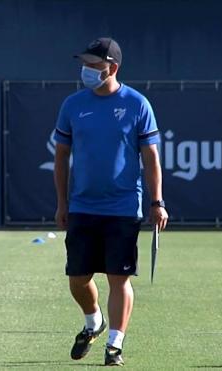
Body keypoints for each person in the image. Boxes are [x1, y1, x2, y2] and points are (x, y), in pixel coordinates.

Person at [53, 37, 168, 366]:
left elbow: (151, 158)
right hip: (82, 207)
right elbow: (61, 158)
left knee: (119, 278)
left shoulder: (137, 104)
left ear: (112, 68)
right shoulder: (73, 105)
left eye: (93, 65)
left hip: (122, 208)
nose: (86, 70)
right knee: (78, 278)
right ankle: (93, 322)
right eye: (85, 64)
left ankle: (114, 344)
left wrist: (157, 201)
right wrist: (62, 203)